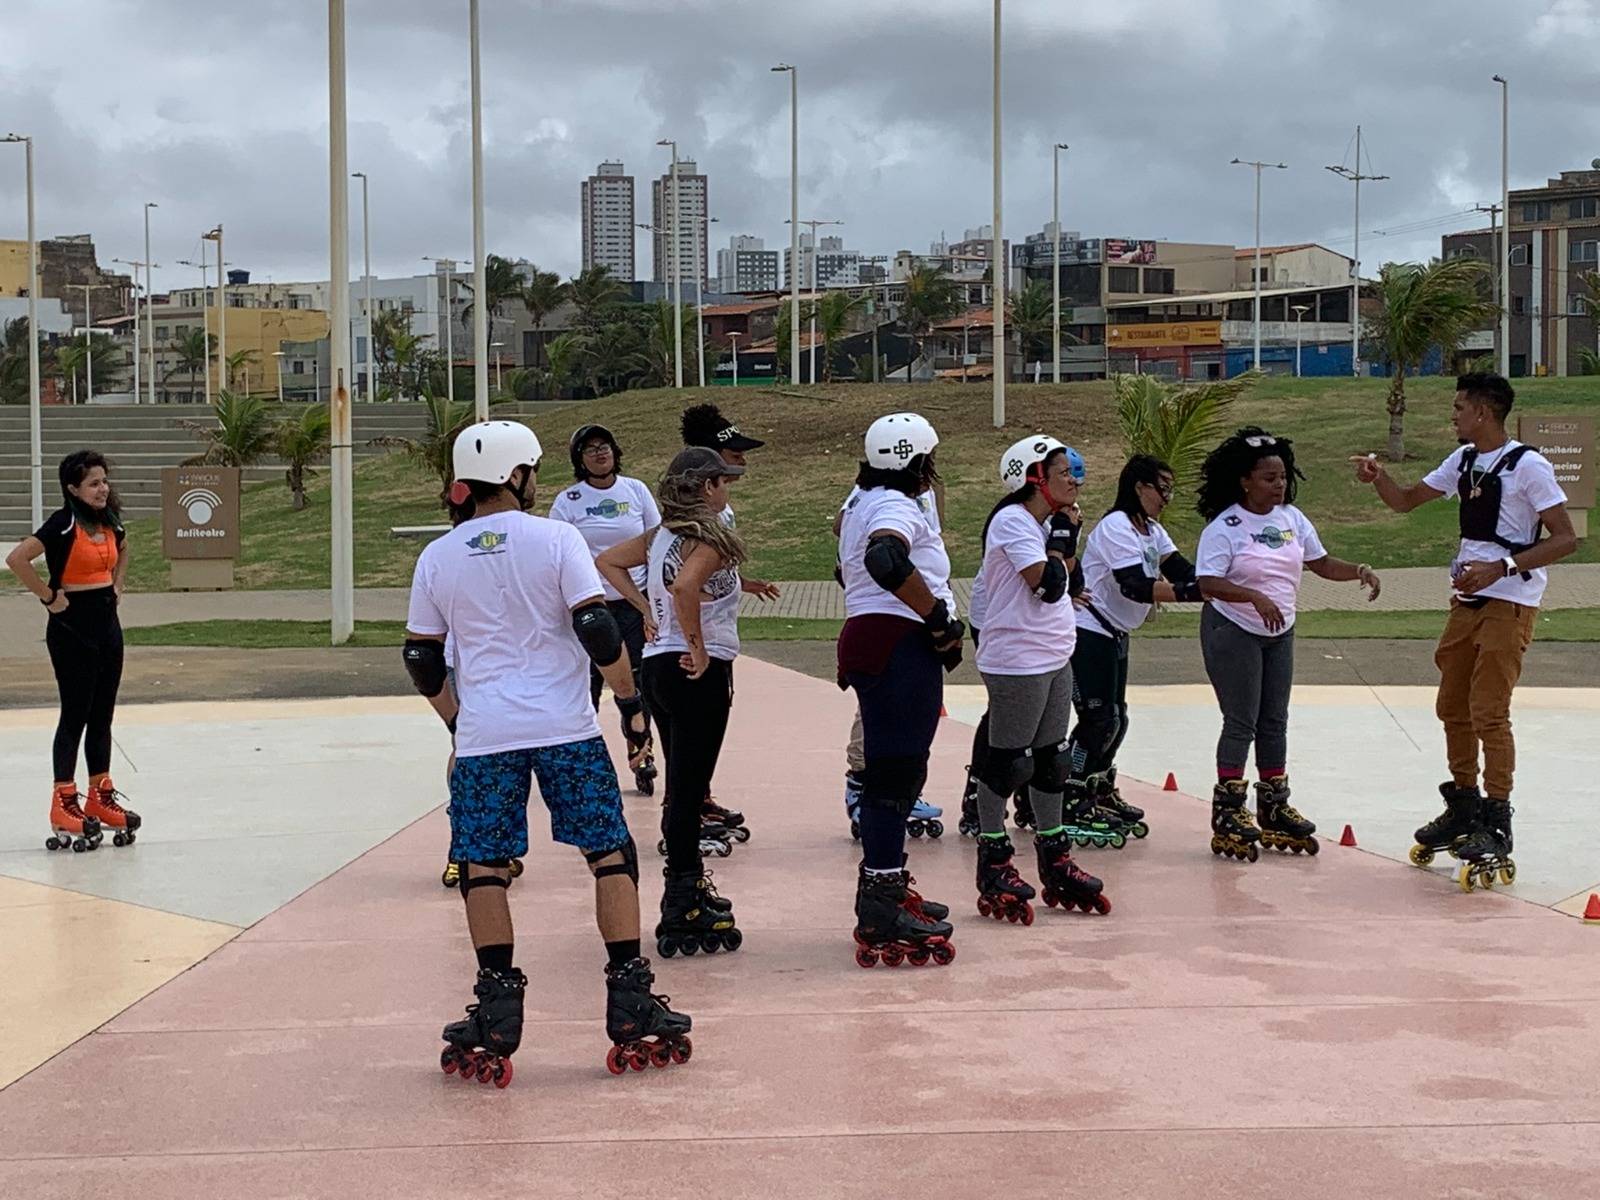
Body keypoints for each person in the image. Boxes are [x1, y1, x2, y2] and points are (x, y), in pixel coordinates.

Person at [405, 420, 691, 1086]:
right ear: (516, 475)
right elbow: (594, 626)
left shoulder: (439, 556)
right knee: (610, 855)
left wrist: (458, 720)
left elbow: (421, 655)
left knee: (482, 866)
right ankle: (628, 996)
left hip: (485, 737)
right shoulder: (557, 537)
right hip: (566, 727)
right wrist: (628, 705)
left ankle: (497, 1008)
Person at [1354, 373, 1576, 891]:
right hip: (1466, 600)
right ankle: (1463, 803)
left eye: (1458, 408)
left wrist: (1503, 568)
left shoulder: (1530, 467)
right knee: (1451, 705)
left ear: (1483, 411)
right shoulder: (1464, 461)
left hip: (1509, 600)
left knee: (1489, 712)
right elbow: (1406, 501)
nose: (1452, 415)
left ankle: (1497, 818)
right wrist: (1378, 477)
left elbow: (1565, 539)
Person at [1195, 427, 1381, 863]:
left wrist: (1359, 569)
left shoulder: (1292, 519)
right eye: (1267, 478)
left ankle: (1274, 805)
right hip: (1233, 628)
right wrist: (1254, 596)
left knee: (1275, 720)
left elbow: (1319, 562)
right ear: (1245, 481)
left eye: (1281, 477)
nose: (1278, 485)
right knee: (1241, 721)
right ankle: (1228, 809)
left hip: (1280, 632)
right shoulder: (1226, 526)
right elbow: (1207, 582)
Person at [597, 447, 748, 960]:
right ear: (706, 488)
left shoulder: (662, 537)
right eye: (722, 482)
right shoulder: (705, 537)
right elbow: (686, 586)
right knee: (688, 787)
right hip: (691, 671)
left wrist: (644, 608)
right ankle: (682, 897)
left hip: (659, 667)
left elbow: (608, 562)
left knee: (683, 786)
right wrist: (698, 645)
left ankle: (684, 886)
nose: (727, 490)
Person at [969, 436, 1111, 922]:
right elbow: (1049, 586)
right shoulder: (1012, 522)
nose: (1074, 479)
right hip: (1016, 660)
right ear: (1035, 478)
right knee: (1008, 763)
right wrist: (1064, 541)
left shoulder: (1045, 524)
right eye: (1063, 472)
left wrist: (1062, 544)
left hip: (1053, 654)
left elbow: (1068, 580)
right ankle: (993, 858)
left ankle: (1055, 857)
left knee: (1052, 762)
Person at [837, 412, 959, 968]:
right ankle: (881, 903)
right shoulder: (892, 504)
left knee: (894, 772)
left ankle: (884, 886)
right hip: (895, 641)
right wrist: (937, 618)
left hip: (876, 638)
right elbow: (884, 559)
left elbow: (851, 570)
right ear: (915, 461)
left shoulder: (860, 499)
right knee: (896, 775)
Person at [1064, 454, 1206, 842]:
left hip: (1115, 631)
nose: (1167, 497)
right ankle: (1070, 793)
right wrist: (1196, 593)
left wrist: (1220, 583)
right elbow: (1134, 584)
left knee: (1118, 718)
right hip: (1088, 628)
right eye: (1162, 488)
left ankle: (1098, 786)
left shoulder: (1150, 530)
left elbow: (1180, 569)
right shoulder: (1116, 527)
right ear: (1140, 487)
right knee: (1098, 719)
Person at [6, 450, 139, 852]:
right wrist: (48, 596)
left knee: (103, 715)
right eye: (93, 484)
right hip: (72, 627)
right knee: (75, 714)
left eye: (104, 481)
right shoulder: (63, 523)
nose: (102, 489)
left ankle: (101, 793)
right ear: (73, 489)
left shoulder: (108, 520)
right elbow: (17, 559)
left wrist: (117, 585)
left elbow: (125, 547)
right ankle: (64, 801)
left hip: (106, 625)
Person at [677, 402, 780, 842]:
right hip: (697, 642)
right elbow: (680, 579)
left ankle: (699, 795)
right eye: (734, 454)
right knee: (693, 731)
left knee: (709, 727)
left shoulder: (721, 508)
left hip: (719, 636)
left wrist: (743, 583)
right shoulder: (698, 512)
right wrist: (694, 639)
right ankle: (685, 811)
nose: (743, 460)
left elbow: (713, 571)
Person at [550, 424, 663, 796]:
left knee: (636, 684)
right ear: (579, 459)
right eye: (591, 449)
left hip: (635, 605)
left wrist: (652, 606)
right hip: (590, 608)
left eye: (605, 447)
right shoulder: (568, 501)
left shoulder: (635, 490)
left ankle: (641, 753)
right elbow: (556, 556)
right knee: (588, 688)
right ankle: (578, 762)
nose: (600, 453)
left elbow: (657, 542)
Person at [834, 483, 946, 840]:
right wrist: (939, 618)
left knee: (905, 754)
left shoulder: (916, 492)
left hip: (905, 626)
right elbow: (881, 553)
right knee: (886, 741)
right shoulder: (878, 492)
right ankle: (859, 783)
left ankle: (884, 875)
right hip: (892, 623)